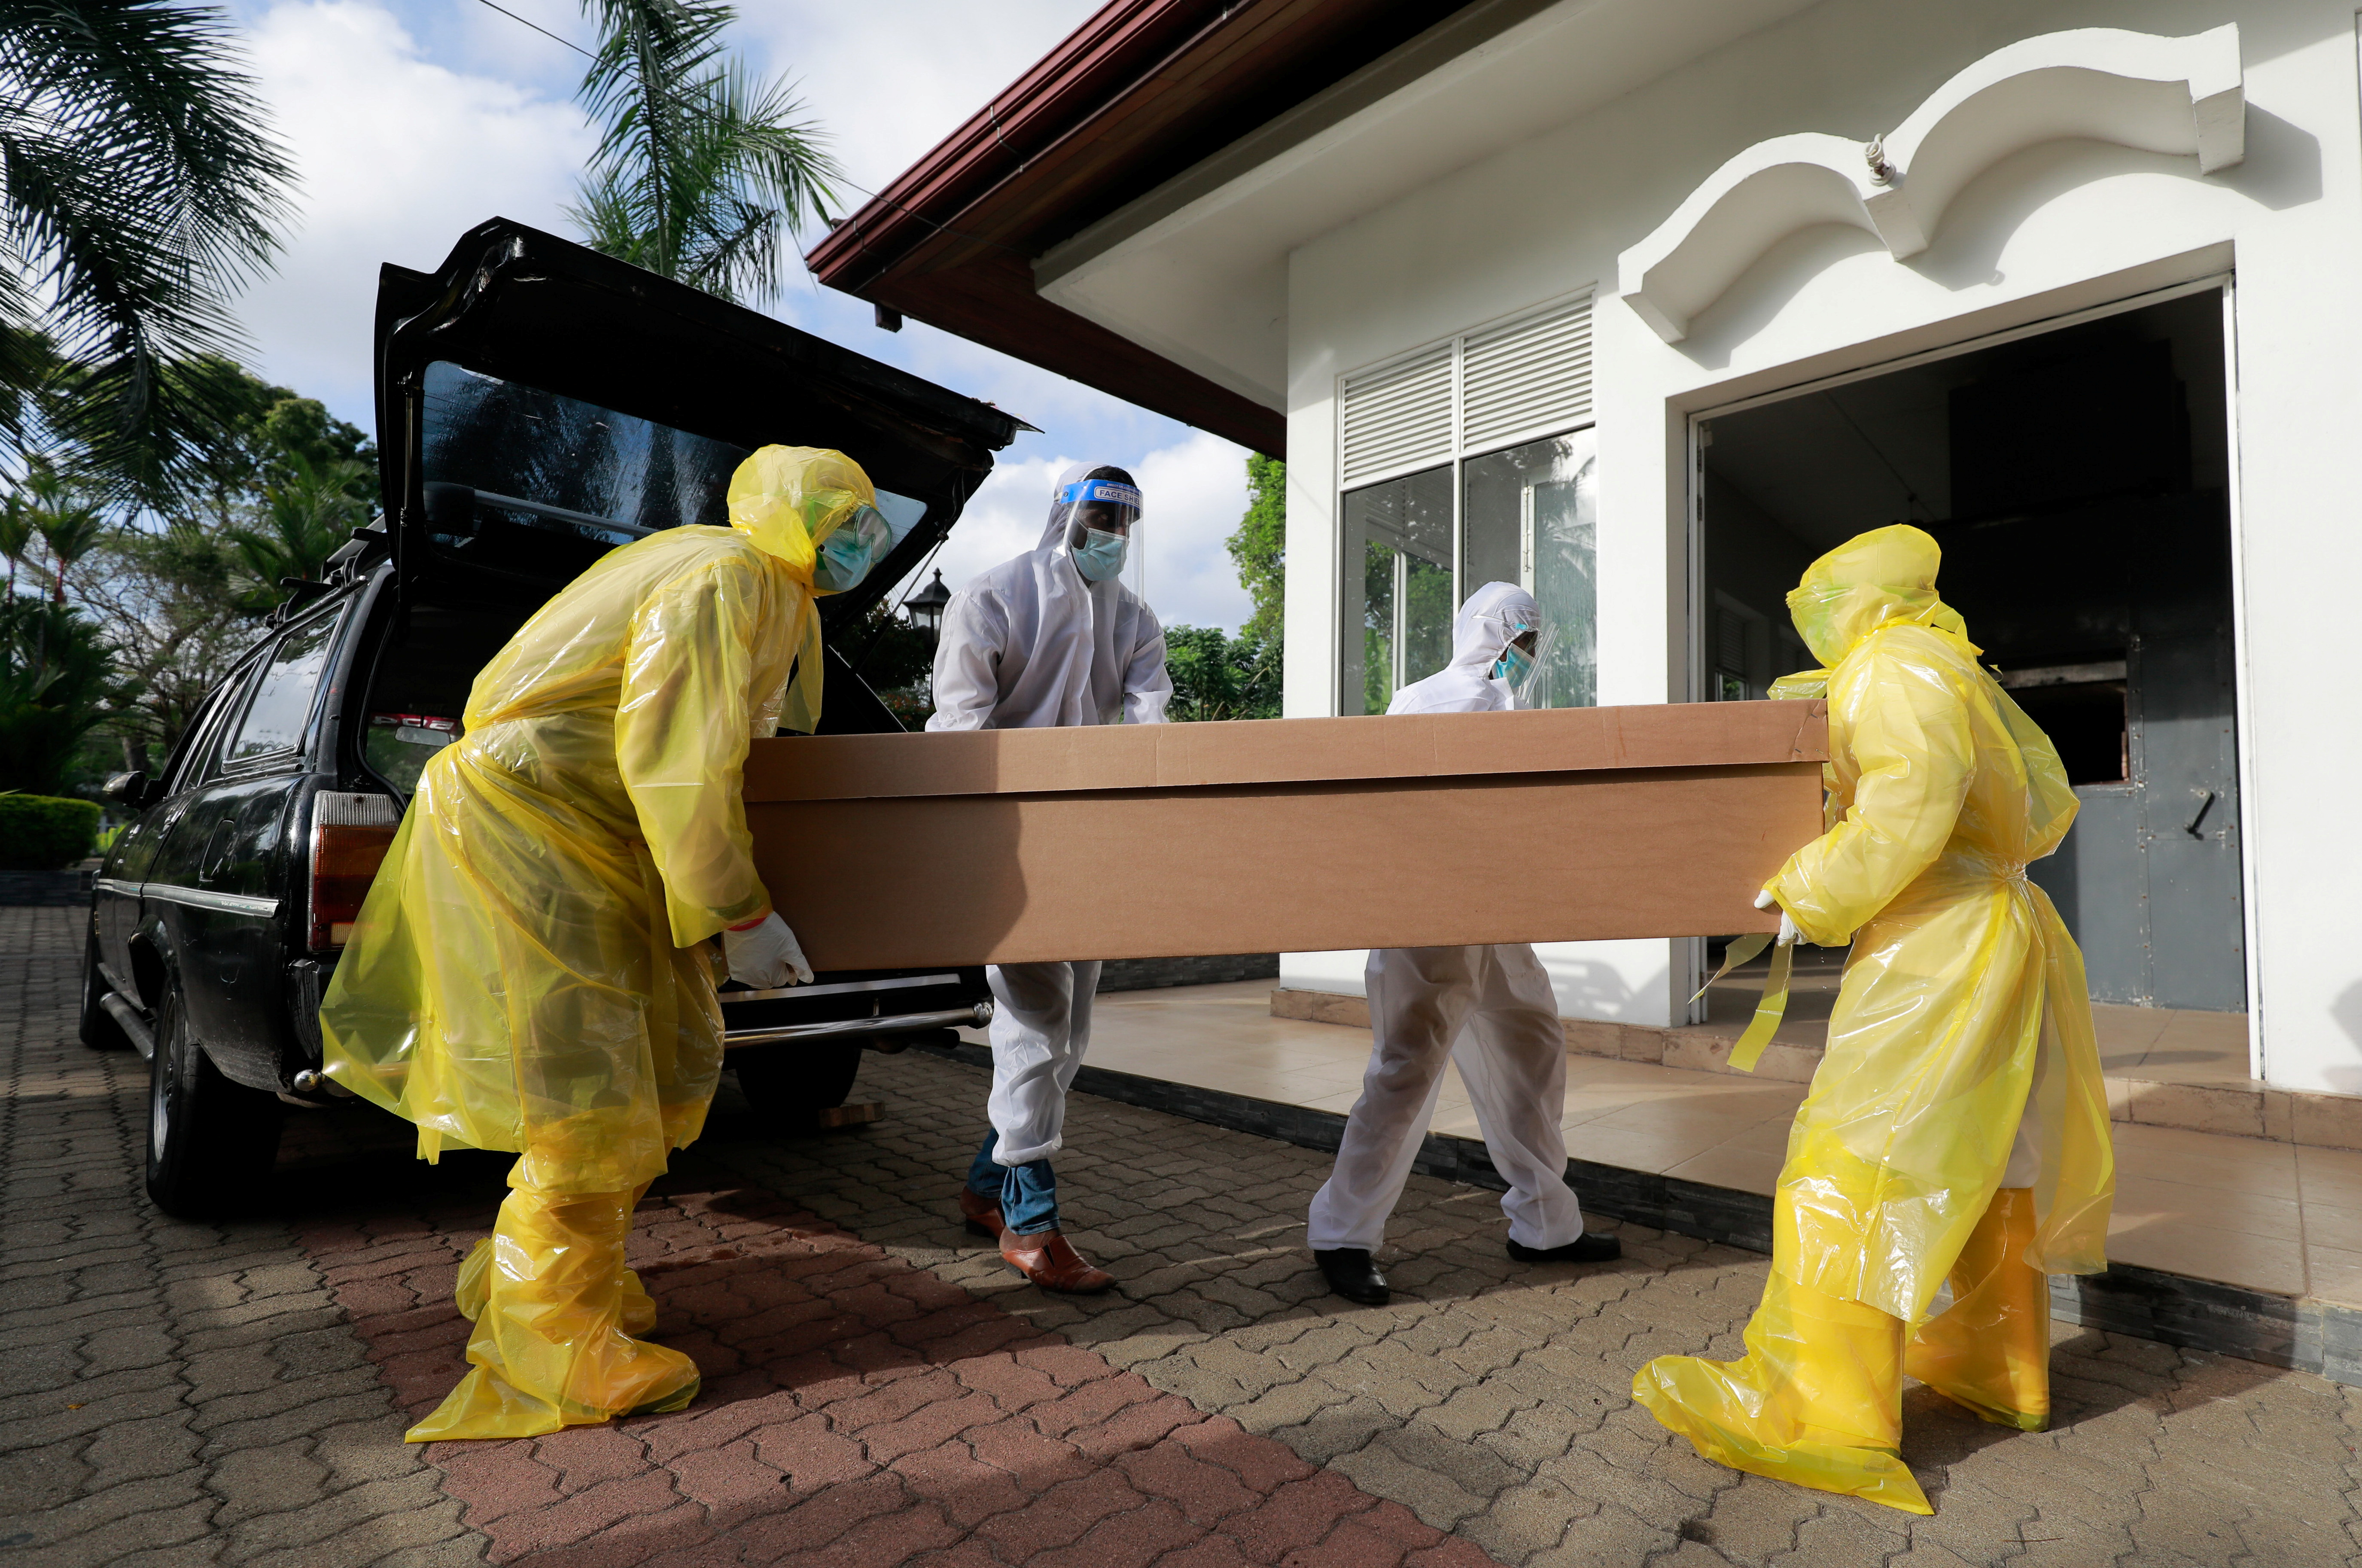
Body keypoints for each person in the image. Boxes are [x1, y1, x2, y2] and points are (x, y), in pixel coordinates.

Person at [320, 446, 903, 1441]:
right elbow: (675, 761)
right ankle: (552, 1351)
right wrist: (742, 910)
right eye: (840, 515)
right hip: (538, 827)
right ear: (790, 515)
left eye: (863, 516)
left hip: (589, 834)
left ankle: (554, 1277)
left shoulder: (756, 579)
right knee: (587, 1097)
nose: (861, 537)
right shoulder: (726, 577)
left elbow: (703, 756)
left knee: (655, 1069)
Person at [1631, 525, 2115, 1514]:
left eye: (1817, 603)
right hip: (1988, 933)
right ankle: (1998, 1367)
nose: (1808, 623)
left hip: (1932, 945)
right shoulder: (1940, 662)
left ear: (1850, 600)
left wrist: (1804, 881)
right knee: (1985, 1155)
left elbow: (1908, 804)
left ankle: (1827, 1413)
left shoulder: (1891, 669)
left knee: (1849, 1160)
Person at [1308, 582, 1622, 1307]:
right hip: (1429, 914)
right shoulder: (1438, 701)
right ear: (1490, 635)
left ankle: (1546, 1224)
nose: (1528, 657)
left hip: (1496, 910)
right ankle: (1343, 1237)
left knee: (1530, 1050)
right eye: (1521, 642)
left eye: (1534, 644)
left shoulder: (1507, 707)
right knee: (1409, 1071)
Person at [928, 462, 1170, 1293]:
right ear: (1065, 513)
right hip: (1014, 843)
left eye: (1126, 523)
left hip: (1089, 842)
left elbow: (1150, 717)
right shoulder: (994, 597)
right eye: (1101, 515)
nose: (1113, 536)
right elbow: (959, 726)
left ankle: (983, 1186)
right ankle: (1031, 1226)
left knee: (1069, 1036)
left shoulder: (1133, 616)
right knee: (1033, 1026)